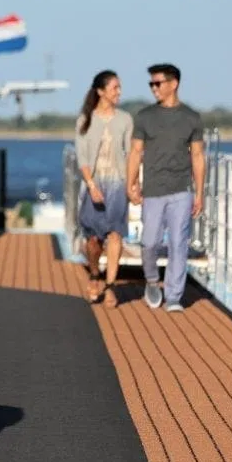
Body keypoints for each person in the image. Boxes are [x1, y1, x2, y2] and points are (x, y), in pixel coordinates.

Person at [126, 64, 205, 312]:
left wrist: (200, 192)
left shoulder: (191, 118)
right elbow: (136, 152)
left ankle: (173, 297)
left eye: (157, 83)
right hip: (153, 190)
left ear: (174, 84)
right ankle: (151, 280)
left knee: (178, 243)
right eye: (151, 84)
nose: (154, 88)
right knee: (149, 242)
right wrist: (131, 183)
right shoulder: (145, 116)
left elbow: (198, 156)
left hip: (181, 189)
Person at [74, 70, 133, 308]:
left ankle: (110, 287)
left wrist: (133, 184)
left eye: (119, 88)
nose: (118, 92)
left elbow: (131, 154)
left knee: (115, 234)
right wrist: (91, 185)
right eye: (114, 88)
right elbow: (82, 158)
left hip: (117, 183)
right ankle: (94, 274)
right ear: (101, 91)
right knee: (93, 239)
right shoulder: (85, 120)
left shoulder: (125, 119)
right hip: (94, 183)